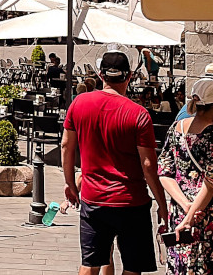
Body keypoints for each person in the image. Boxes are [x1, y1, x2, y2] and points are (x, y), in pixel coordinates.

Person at [61, 50, 168, 275]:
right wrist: (162, 203)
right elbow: (148, 166)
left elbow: (66, 147)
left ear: (101, 76)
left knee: (90, 263)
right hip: (131, 201)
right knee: (132, 267)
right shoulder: (139, 114)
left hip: (94, 199)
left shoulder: (79, 103)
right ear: (129, 76)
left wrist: (71, 184)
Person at [158, 78, 213, 275]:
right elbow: (211, 183)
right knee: (209, 264)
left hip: (180, 207)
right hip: (210, 212)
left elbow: (164, 172)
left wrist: (185, 207)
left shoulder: (177, 128)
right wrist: (192, 215)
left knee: (184, 263)